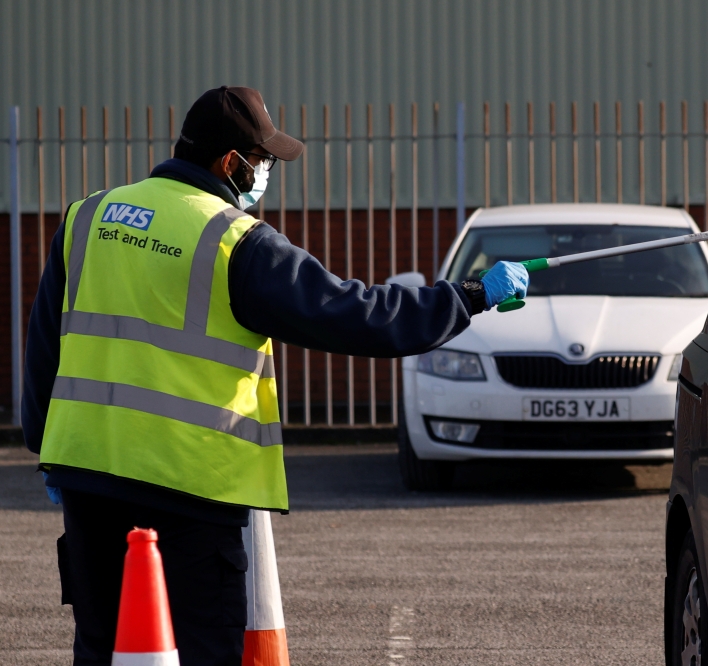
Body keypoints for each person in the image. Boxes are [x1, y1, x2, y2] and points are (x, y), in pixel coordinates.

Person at [21, 86, 528, 666]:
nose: (265, 174)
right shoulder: (233, 240)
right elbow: (357, 315)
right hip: (189, 492)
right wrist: (467, 297)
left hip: (88, 481)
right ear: (229, 162)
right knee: (203, 650)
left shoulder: (88, 216)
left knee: (106, 648)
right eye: (262, 161)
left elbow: (45, 346)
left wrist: (46, 446)